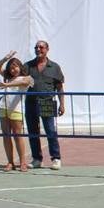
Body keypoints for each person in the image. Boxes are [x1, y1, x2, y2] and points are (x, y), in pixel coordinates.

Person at [25, 40, 65, 170]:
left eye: (41, 47)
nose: (38, 49)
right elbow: (14, 76)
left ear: (47, 49)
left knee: (51, 131)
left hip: (47, 102)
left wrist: (62, 104)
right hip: (31, 103)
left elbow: (59, 87)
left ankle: (56, 158)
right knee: (33, 132)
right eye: (36, 47)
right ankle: (37, 159)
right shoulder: (28, 66)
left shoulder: (54, 67)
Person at [0, 51, 34, 172]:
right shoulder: (7, 77)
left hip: (16, 110)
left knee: (18, 136)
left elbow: (24, 82)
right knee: (6, 136)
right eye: (11, 68)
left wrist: (7, 84)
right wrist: (6, 58)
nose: (13, 70)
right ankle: (10, 162)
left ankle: (22, 162)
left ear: (20, 67)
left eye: (15, 66)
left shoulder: (26, 77)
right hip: (4, 109)